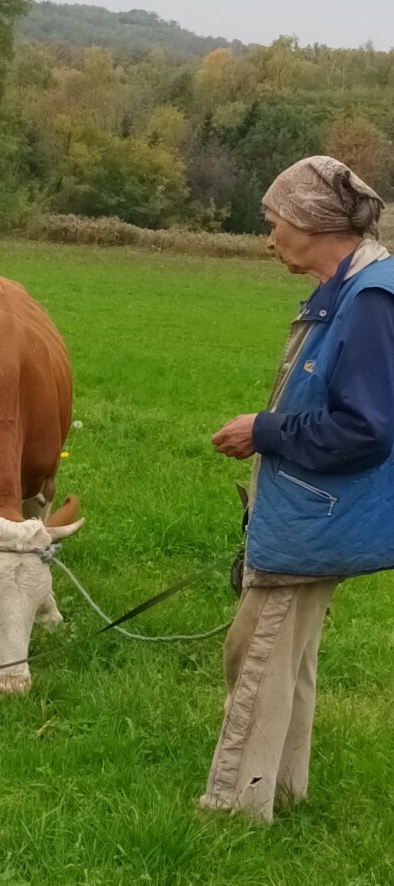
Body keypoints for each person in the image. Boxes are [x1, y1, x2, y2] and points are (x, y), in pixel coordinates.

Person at [201, 155, 394, 822]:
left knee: (255, 654)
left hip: (316, 518)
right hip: (312, 513)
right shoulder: (347, 289)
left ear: (311, 223)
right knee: (286, 657)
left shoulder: (370, 300)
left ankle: (233, 810)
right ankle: (282, 792)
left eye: (273, 219)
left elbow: (364, 430)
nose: (268, 235)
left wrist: (266, 430)